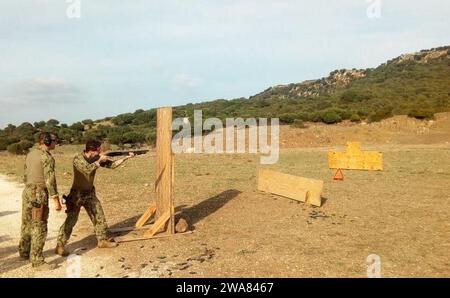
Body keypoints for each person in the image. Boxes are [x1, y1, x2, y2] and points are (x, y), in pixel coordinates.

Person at [55, 139, 134, 256]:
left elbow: (112, 165)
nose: (101, 151)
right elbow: (87, 169)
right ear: (93, 150)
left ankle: (102, 240)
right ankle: (60, 245)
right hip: (76, 194)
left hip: (89, 193)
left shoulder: (97, 158)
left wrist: (126, 157)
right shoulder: (78, 159)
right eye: (99, 149)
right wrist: (99, 161)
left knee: (99, 216)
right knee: (71, 220)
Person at [19, 132, 61, 270]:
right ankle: (37, 261)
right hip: (38, 193)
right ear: (47, 141)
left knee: (26, 222)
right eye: (54, 140)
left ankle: (24, 251)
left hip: (27, 191)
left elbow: (25, 174)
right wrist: (56, 199)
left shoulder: (31, 153)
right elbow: (50, 180)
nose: (56, 142)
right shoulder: (46, 157)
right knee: (39, 225)